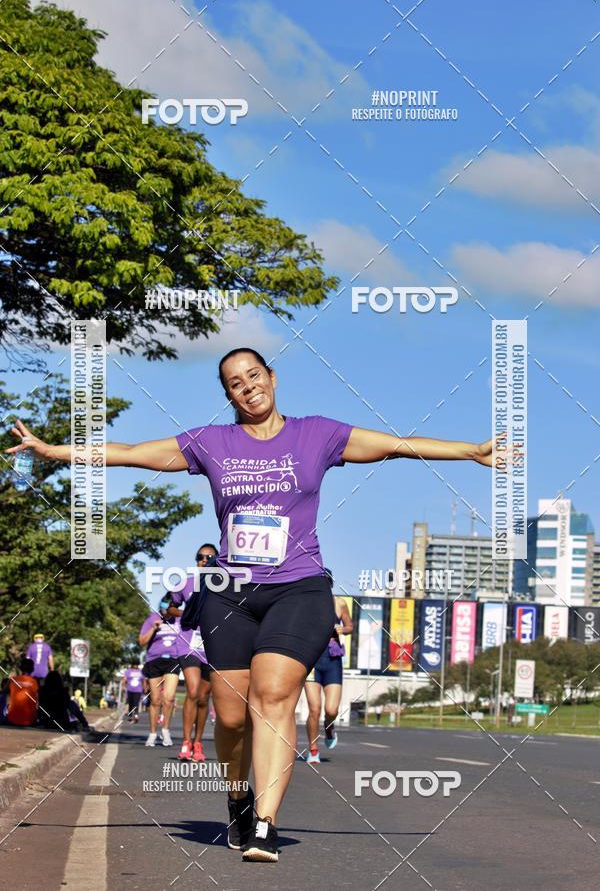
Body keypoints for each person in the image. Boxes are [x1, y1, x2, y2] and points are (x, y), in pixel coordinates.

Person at [8, 346, 494, 862]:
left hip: (300, 587)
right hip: (230, 593)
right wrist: (54, 451)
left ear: (272, 378)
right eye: (236, 383)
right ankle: (237, 795)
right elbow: (130, 451)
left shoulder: (317, 434)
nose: (248, 387)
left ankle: (265, 823)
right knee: (232, 717)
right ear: (228, 395)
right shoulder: (211, 444)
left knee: (275, 696)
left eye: (254, 376)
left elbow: (395, 445)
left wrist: (470, 451)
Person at [167, 544, 216, 762]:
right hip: (188, 643)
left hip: (212, 645)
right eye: (200, 557)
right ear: (196, 560)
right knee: (193, 691)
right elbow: (169, 607)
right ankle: (186, 742)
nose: (204, 560)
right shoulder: (186, 583)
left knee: (205, 698)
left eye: (210, 557)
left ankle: (198, 743)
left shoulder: (223, 586)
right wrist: (186, 612)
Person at [304, 575, 353, 764]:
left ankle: (329, 727)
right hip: (312, 661)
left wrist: (341, 629)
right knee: (314, 709)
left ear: (330, 584)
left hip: (332, 661)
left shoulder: (339, 603)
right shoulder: (306, 604)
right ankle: (313, 750)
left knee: (331, 709)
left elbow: (349, 626)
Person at [138, 601, 180, 747]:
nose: (165, 613)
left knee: (168, 698)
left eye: (168, 610)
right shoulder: (152, 618)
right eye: (162, 609)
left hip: (173, 660)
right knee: (155, 700)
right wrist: (153, 629)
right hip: (154, 661)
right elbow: (141, 641)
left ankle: (166, 731)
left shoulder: (179, 619)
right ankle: (153, 733)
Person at [6, 657, 38, 727]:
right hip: (30, 720)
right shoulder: (35, 682)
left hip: (12, 719)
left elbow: (4, 693)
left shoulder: (12, 680)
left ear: (20, 668)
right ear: (32, 669)